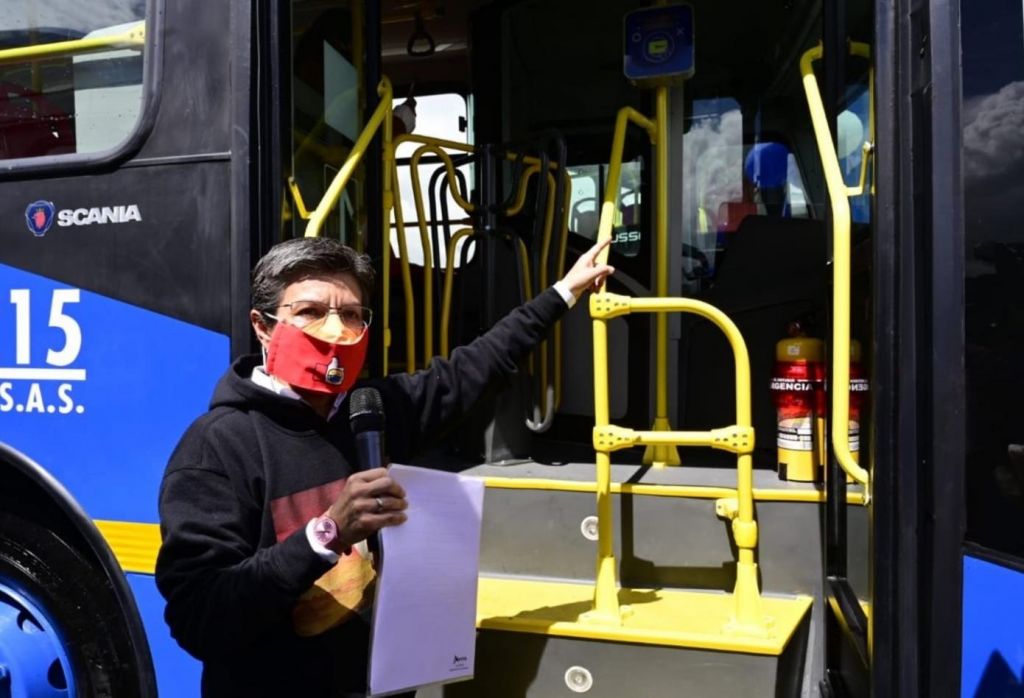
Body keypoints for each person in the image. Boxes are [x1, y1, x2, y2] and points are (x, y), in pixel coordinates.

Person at [155, 236, 614, 697]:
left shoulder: (372, 410)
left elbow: (476, 367)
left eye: (351, 314)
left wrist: (565, 291)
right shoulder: (216, 447)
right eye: (310, 312)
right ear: (264, 326)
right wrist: (327, 534)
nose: (335, 331)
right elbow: (200, 619)